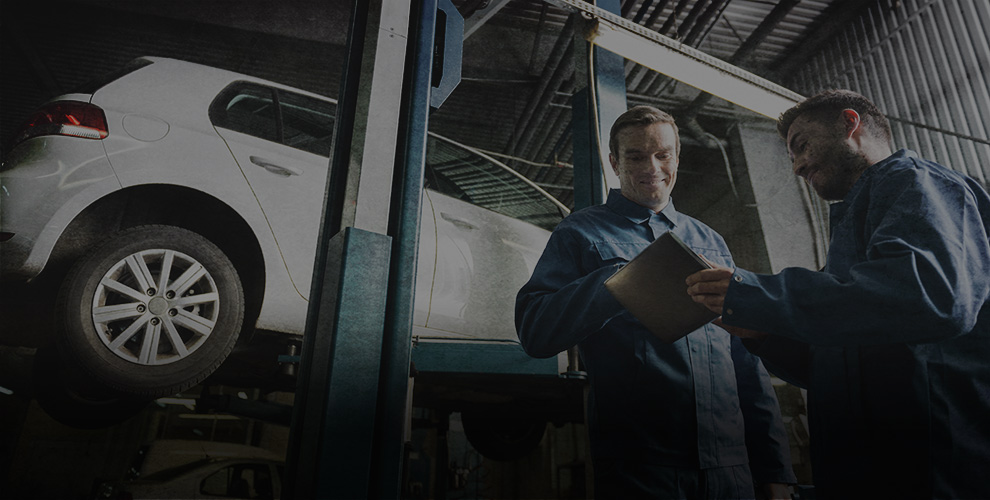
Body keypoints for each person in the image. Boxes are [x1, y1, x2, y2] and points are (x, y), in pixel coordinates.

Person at [685, 89, 990, 499]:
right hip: (870, 470)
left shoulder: (915, 181)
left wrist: (755, 294)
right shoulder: (857, 230)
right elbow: (841, 360)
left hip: (933, 469)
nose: (796, 166)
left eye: (801, 146)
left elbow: (929, 295)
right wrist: (764, 336)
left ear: (850, 123)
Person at [516, 105, 796, 498]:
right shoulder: (579, 233)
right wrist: (616, 282)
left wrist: (775, 470)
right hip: (641, 467)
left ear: (676, 158)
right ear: (614, 163)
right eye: (635, 156)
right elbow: (535, 331)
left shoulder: (710, 241)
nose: (652, 166)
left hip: (730, 468)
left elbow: (745, 361)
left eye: (663, 154)